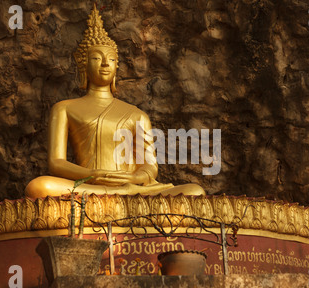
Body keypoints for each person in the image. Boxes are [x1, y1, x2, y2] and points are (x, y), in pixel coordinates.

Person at [24, 5, 205, 198]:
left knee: (194, 191)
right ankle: (120, 199)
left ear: (116, 67)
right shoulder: (64, 108)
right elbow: (56, 162)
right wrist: (91, 175)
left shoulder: (137, 115)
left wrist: (133, 179)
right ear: (83, 65)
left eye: (110, 60)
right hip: (90, 189)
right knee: (39, 188)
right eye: (96, 58)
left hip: (133, 190)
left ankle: (125, 196)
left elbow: (149, 167)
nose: (104, 64)